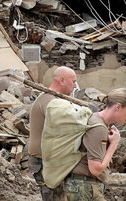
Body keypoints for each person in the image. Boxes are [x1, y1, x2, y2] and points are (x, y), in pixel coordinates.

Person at [62, 88, 126, 201]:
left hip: (81, 186)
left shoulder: (97, 120)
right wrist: (114, 144)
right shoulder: (98, 128)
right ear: (118, 107)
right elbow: (96, 169)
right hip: (84, 187)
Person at [28, 66, 78, 200]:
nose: (75, 86)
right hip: (43, 160)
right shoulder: (51, 101)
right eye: (73, 81)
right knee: (53, 197)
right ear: (62, 80)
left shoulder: (53, 99)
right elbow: (64, 127)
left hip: (48, 158)